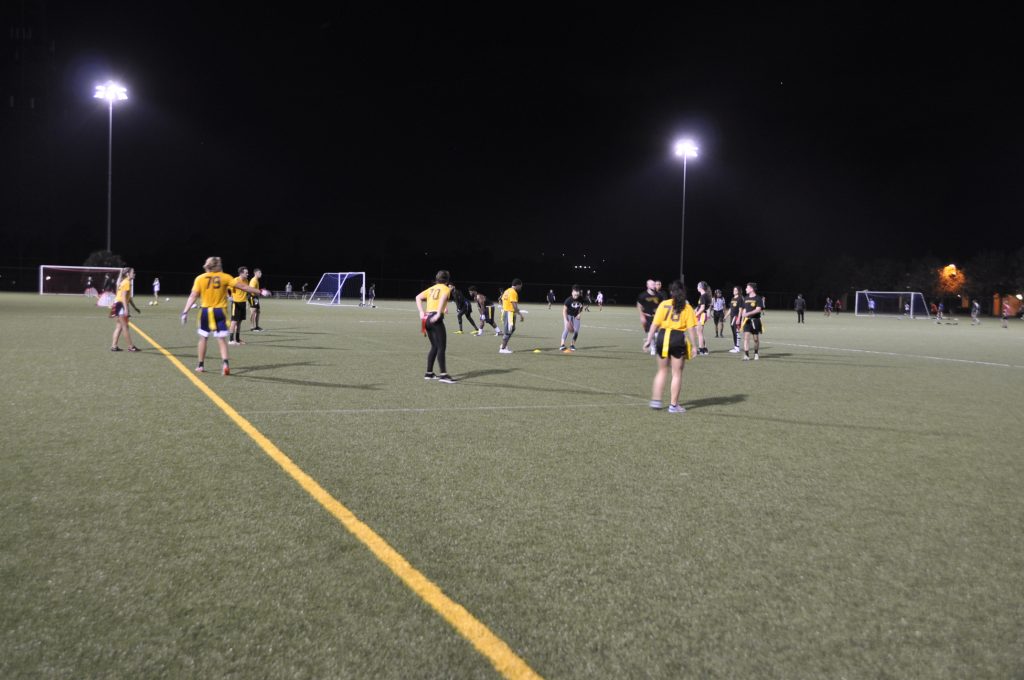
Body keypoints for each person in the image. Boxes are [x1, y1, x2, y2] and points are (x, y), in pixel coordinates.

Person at [180, 256, 267, 376]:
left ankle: (200, 365)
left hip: (205, 312)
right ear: (218, 266)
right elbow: (244, 287)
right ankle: (225, 364)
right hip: (220, 312)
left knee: (203, 338)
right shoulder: (225, 277)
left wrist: (185, 312)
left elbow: (193, 296)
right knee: (221, 339)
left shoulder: (200, 278)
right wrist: (260, 291)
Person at [642, 280, 697, 414]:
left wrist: (648, 340)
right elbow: (691, 329)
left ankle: (656, 400)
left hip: (662, 337)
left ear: (671, 292)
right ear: (683, 292)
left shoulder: (663, 304)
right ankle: (673, 406)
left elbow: (654, 324)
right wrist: (695, 346)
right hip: (677, 338)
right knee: (677, 373)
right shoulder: (687, 307)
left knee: (661, 370)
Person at [415, 270, 456, 383]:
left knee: (434, 346)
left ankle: (429, 373)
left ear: (437, 279)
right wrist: (439, 312)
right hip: (435, 319)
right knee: (441, 347)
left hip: (426, 319)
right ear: (447, 280)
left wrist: (420, 312)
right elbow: (442, 298)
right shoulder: (446, 289)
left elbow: (418, 297)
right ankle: (443, 375)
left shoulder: (432, 288)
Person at [110, 267, 140, 352]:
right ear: (127, 274)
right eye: (133, 272)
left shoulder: (124, 282)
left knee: (119, 327)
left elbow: (128, 298)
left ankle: (114, 346)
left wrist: (135, 308)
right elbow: (123, 297)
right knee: (125, 327)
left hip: (117, 305)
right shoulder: (126, 282)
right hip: (120, 306)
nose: (134, 274)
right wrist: (126, 309)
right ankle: (131, 347)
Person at [739, 282, 765, 361]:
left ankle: (756, 353)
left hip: (755, 321)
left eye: (747, 288)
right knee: (746, 337)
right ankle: (746, 355)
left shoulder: (758, 298)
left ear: (751, 289)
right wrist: (741, 318)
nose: (746, 289)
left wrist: (748, 313)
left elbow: (758, 309)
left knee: (756, 339)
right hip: (747, 321)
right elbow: (743, 309)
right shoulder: (746, 298)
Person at [499, 278, 525, 353]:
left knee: (512, 328)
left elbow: (501, 299)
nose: (521, 288)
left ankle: (503, 345)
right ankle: (502, 349)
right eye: (520, 286)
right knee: (508, 331)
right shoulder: (513, 292)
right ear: (517, 285)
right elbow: (514, 306)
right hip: (509, 313)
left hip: (506, 312)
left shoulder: (507, 290)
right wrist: (520, 315)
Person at [637, 280, 661, 355]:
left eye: (654, 284)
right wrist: (642, 316)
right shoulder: (643, 295)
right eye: (652, 284)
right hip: (647, 316)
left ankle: (654, 346)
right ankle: (653, 348)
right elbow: (639, 305)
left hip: (656, 317)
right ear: (647, 285)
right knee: (651, 333)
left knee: (657, 334)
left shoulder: (659, 295)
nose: (654, 285)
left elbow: (662, 305)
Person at [228, 266, 250, 345]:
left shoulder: (246, 280)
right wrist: (229, 297)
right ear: (241, 273)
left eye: (247, 272)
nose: (248, 274)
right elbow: (227, 288)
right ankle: (230, 340)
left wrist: (247, 301)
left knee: (239, 322)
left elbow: (246, 290)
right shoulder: (235, 280)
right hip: (236, 303)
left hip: (243, 303)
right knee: (234, 321)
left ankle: (237, 339)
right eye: (246, 273)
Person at [560, 285, 585, 351]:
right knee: (566, 329)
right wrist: (566, 320)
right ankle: (562, 345)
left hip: (576, 317)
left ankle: (572, 345)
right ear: (572, 292)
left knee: (576, 331)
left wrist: (579, 313)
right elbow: (564, 310)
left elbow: (581, 307)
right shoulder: (568, 300)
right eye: (575, 293)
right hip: (568, 316)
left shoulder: (581, 299)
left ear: (579, 293)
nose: (576, 294)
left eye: (577, 293)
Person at [693, 281, 711, 355]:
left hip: (702, 315)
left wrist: (696, 314)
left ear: (701, 287)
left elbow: (702, 308)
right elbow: (700, 306)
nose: (697, 287)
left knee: (699, 333)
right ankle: (704, 348)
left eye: (698, 286)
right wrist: (694, 311)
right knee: (699, 332)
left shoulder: (703, 296)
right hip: (701, 315)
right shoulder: (704, 295)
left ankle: (701, 350)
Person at [248, 267, 264, 331]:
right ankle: (252, 327)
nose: (261, 274)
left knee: (258, 311)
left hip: (255, 298)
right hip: (252, 297)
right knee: (253, 311)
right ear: (255, 273)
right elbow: (251, 290)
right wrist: (259, 292)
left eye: (261, 272)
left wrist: (259, 292)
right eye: (259, 272)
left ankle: (256, 326)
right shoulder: (253, 280)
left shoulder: (256, 280)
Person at [728, 286, 743, 352]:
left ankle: (737, 347)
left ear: (738, 291)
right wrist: (725, 317)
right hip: (732, 317)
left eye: (735, 290)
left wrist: (738, 318)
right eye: (733, 290)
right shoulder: (733, 298)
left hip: (736, 317)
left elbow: (740, 310)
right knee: (734, 332)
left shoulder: (740, 298)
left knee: (736, 332)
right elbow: (730, 309)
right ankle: (735, 347)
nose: (734, 291)